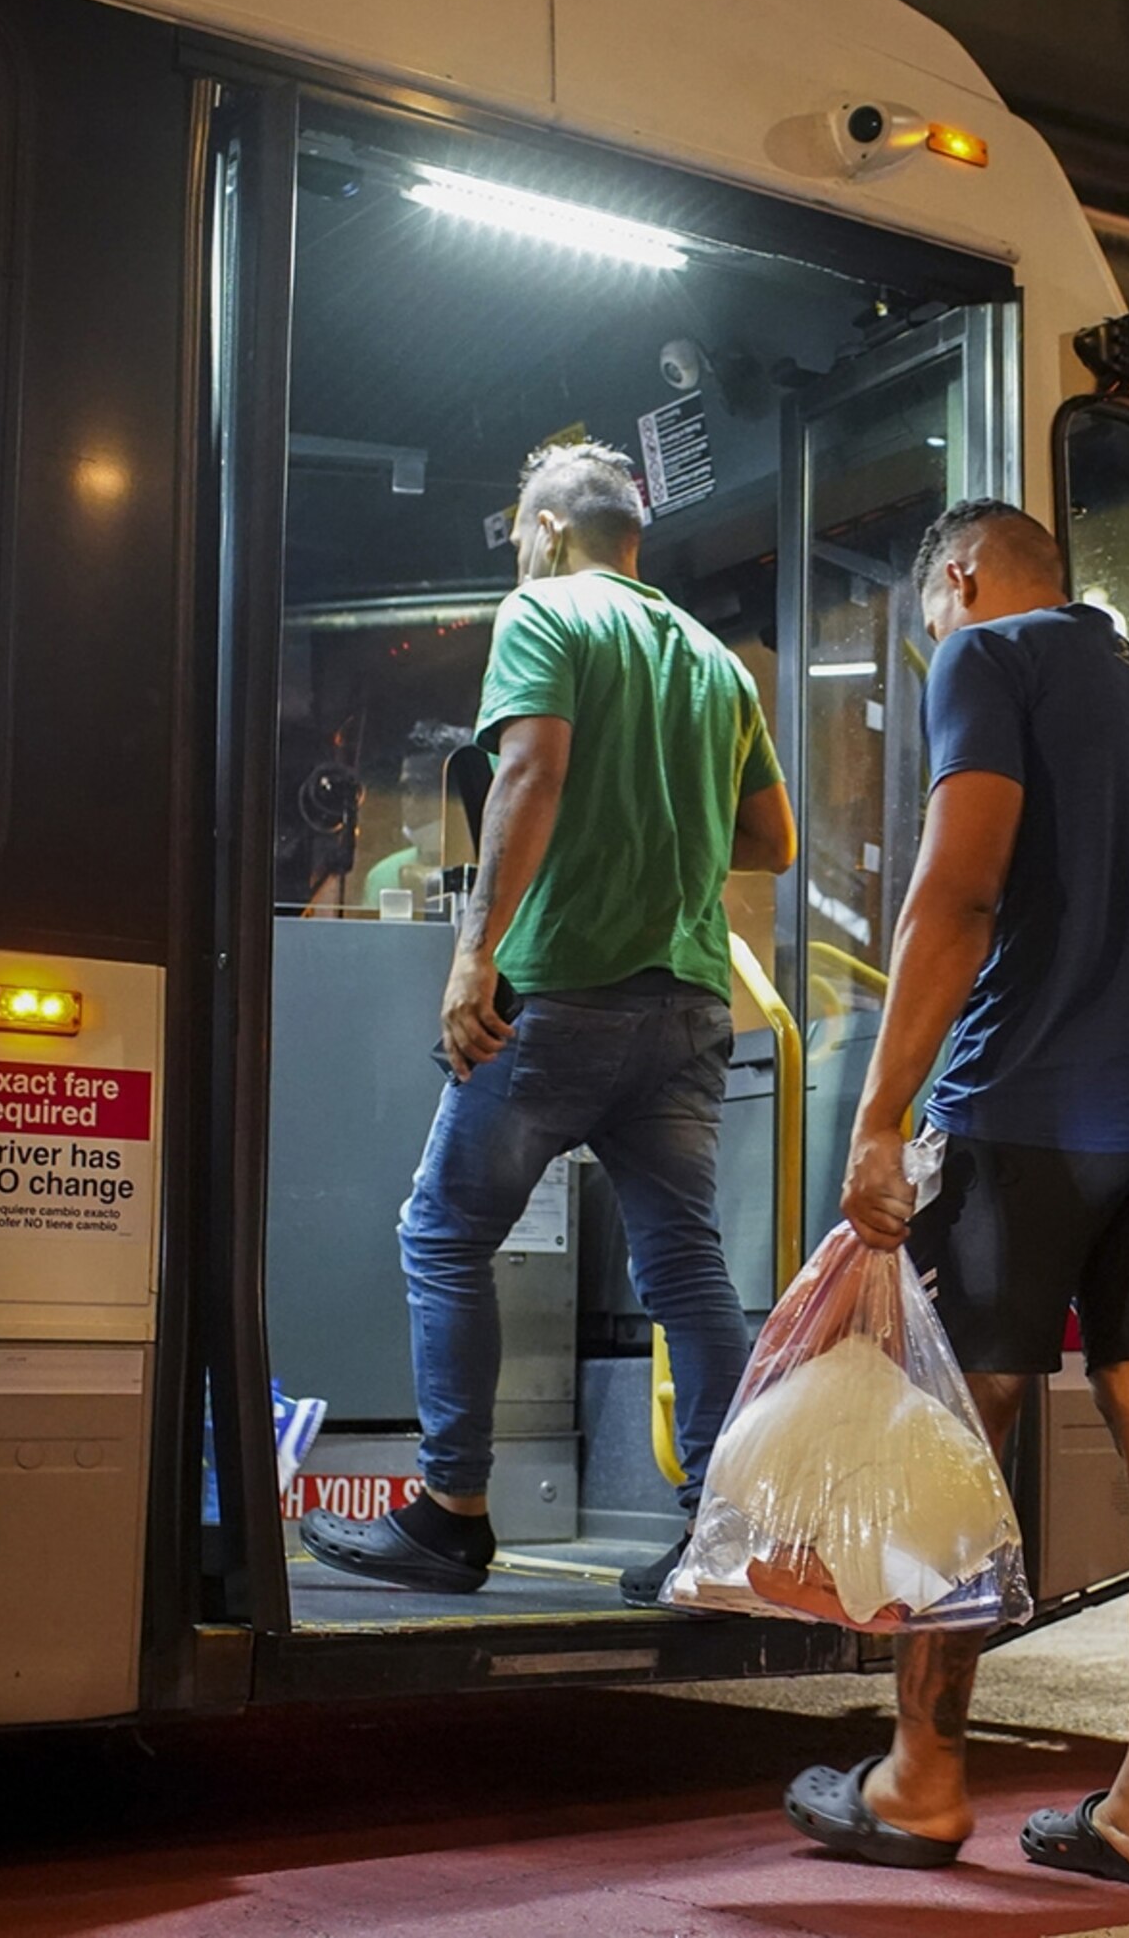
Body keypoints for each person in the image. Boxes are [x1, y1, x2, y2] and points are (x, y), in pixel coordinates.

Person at [781, 500, 1129, 1890]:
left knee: (959, 1427)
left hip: (1026, 1111)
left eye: (931, 617)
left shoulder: (991, 659)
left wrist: (879, 1115)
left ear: (965, 580)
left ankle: (922, 1778)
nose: (936, 643)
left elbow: (956, 889)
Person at [301, 441, 796, 1607]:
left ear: (551, 529)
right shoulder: (717, 662)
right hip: (684, 1004)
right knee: (686, 1267)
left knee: (443, 1235)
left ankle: (449, 1514)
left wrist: (475, 954)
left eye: (524, 526)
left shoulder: (546, 612)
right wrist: (655, 820)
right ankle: (719, 1535)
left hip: (561, 994)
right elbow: (766, 839)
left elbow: (527, 774)